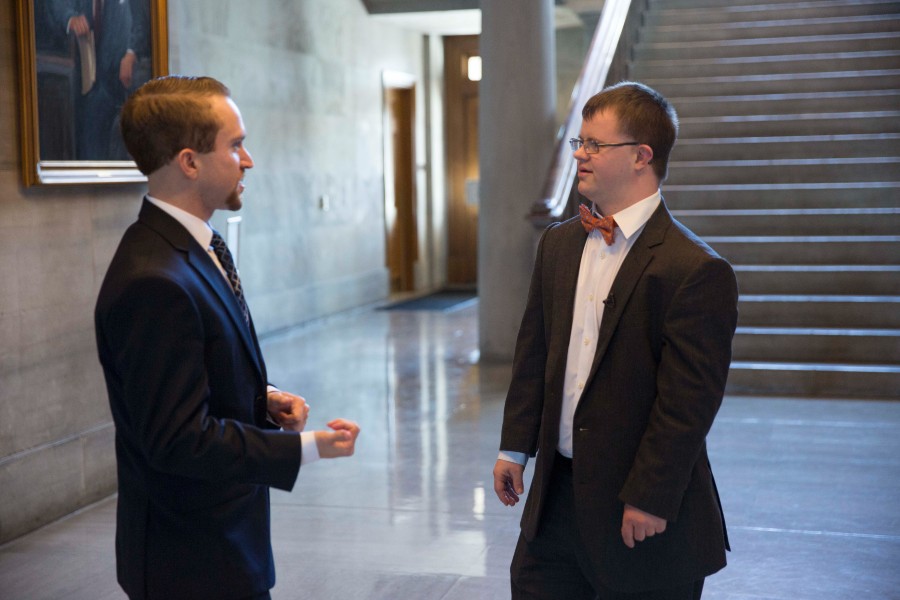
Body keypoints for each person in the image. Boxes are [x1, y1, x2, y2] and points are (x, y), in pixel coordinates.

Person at [95, 75, 360, 600]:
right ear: (190, 162)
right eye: (235, 145)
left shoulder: (193, 245)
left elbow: (189, 373)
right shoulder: (154, 278)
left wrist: (261, 399)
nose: (249, 159)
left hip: (223, 545)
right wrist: (308, 449)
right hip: (189, 560)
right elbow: (178, 439)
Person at [492, 81, 738, 599]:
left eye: (595, 145)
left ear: (641, 157)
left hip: (640, 510)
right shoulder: (559, 244)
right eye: (578, 142)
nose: (579, 154)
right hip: (555, 499)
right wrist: (514, 446)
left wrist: (650, 495)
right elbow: (534, 354)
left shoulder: (693, 269)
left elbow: (687, 403)